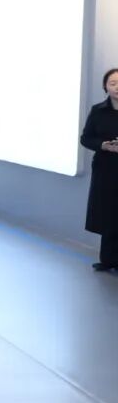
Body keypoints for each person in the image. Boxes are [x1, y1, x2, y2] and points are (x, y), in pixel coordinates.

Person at [81, 68, 118, 272]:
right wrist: (103, 145)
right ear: (105, 86)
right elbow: (86, 138)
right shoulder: (98, 111)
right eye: (113, 83)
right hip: (106, 168)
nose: (117, 87)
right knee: (108, 212)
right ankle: (108, 259)